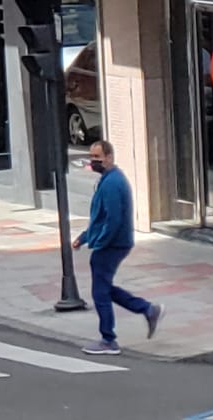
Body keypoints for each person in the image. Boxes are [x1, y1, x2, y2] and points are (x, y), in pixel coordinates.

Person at [72, 139, 163, 356]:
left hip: (113, 244)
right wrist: (84, 238)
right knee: (104, 288)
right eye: (92, 157)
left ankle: (108, 339)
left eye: (98, 157)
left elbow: (112, 219)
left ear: (109, 157)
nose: (94, 161)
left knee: (100, 292)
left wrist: (99, 243)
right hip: (114, 243)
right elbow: (100, 218)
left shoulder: (112, 183)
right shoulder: (109, 180)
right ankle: (147, 309)